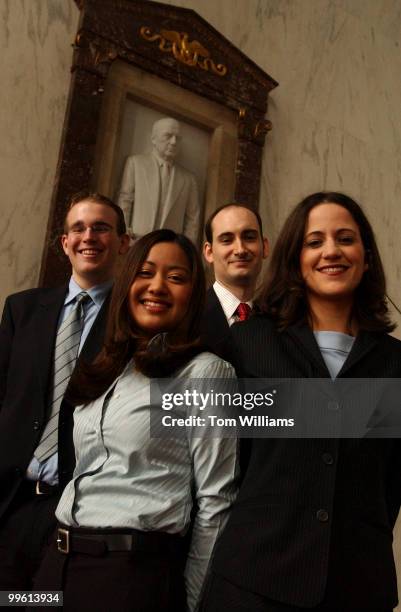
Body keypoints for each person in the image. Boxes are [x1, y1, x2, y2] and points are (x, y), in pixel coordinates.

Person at [202, 192, 401, 612]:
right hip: (252, 584)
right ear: (295, 257)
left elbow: (390, 483)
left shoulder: (395, 361)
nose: (331, 250)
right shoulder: (248, 340)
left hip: (358, 588)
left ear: (366, 256)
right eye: (315, 241)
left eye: (345, 239)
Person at [34, 229, 238, 612]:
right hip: (57, 565)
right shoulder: (103, 369)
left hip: (129, 575)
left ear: (193, 297)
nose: (157, 286)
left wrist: (191, 602)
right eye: (145, 273)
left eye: (176, 278)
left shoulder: (204, 373)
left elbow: (215, 501)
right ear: (127, 283)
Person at [0, 192, 130, 589]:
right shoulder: (21, 310)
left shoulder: (132, 325)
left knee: (44, 603)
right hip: (11, 500)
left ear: (124, 242)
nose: (89, 237)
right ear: (65, 243)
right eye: (79, 228)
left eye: (102, 228)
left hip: (77, 511)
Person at [201, 203, 269, 357]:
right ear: (209, 252)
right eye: (226, 240)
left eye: (249, 237)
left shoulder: (278, 321)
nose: (240, 250)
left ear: (264, 247)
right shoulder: (188, 317)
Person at [117, 117, 200, 243]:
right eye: (168, 136)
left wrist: (186, 249)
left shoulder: (188, 179)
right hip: (136, 243)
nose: (173, 142)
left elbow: (193, 219)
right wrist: (122, 235)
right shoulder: (136, 163)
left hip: (170, 249)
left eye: (178, 138)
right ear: (153, 139)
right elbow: (125, 200)